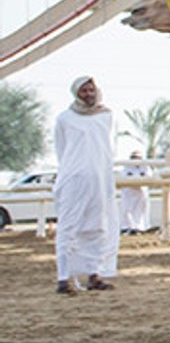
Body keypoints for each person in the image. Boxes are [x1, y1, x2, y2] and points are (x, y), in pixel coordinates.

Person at [53, 76, 119, 294]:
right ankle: (64, 278)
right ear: (76, 93)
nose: (89, 94)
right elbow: (62, 150)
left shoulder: (107, 116)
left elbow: (110, 148)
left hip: (100, 179)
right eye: (84, 91)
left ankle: (94, 274)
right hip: (74, 179)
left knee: (98, 227)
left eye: (91, 90)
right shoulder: (65, 118)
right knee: (69, 228)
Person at [119, 149, 154, 234]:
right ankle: (126, 227)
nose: (135, 159)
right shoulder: (126, 167)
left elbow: (148, 177)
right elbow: (124, 177)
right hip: (129, 193)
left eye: (137, 157)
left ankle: (139, 228)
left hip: (140, 193)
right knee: (127, 210)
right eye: (133, 157)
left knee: (140, 211)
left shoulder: (145, 167)